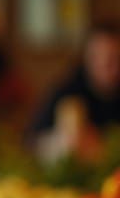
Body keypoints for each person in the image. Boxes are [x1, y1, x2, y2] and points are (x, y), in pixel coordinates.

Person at [28, 19, 120, 163]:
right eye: (97, 57)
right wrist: (60, 142)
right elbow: (32, 141)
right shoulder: (67, 91)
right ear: (86, 57)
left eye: (113, 58)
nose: (105, 65)